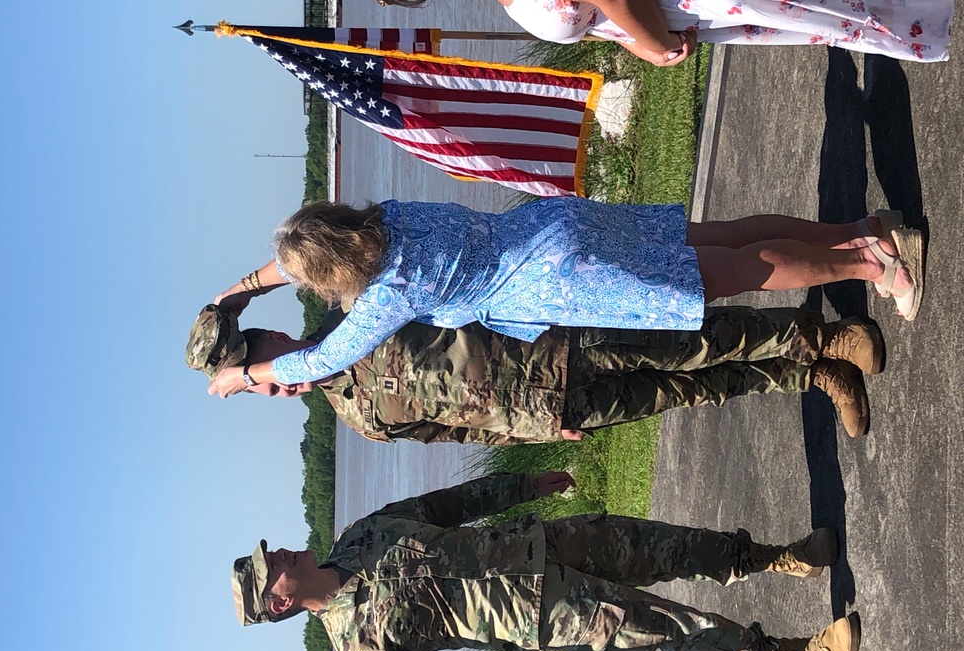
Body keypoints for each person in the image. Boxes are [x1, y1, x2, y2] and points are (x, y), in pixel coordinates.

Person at [231, 471, 861, 651]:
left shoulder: (358, 536)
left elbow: (443, 505)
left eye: (270, 552)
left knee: (671, 544)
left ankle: (781, 558)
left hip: (542, 542)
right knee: (670, 626)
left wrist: (522, 486)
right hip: (543, 610)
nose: (279, 552)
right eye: (271, 565)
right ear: (280, 601)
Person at [207, 199, 922, 402]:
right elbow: (306, 250)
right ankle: (861, 230)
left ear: (329, 273)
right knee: (725, 235)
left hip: (563, 279)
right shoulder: (388, 217)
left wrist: (245, 374)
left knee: (735, 272)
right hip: (550, 225)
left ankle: (871, 263)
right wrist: (239, 291)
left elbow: (321, 360)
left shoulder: (388, 293)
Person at [187, 302, 885, 438]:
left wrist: (243, 359)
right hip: (548, 410)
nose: (276, 384)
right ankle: (813, 377)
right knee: (689, 391)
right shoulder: (357, 417)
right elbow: (456, 430)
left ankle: (823, 335)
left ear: (272, 336)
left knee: (692, 341)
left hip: (556, 343)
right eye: (263, 388)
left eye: (263, 369)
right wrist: (532, 432)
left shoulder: (353, 310)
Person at [378, 0, 952, 65]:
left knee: (835, 9)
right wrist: (645, 49)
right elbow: (597, 24)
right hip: (694, 20)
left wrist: (652, 41)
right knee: (832, 25)